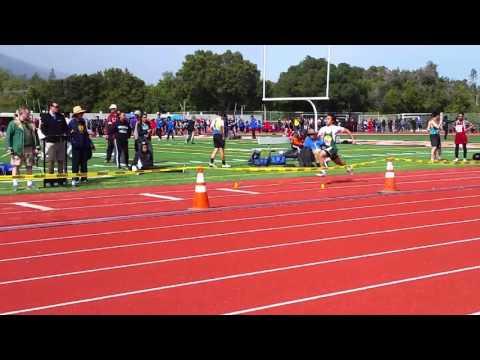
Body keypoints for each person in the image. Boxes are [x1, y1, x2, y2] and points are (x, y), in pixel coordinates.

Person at [6, 106, 40, 191]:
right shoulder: (13, 123)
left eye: (28, 113)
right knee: (16, 166)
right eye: (27, 113)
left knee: (29, 166)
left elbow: (36, 135)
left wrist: (37, 146)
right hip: (17, 149)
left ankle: (30, 184)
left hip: (29, 148)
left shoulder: (31, 123)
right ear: (22, 113)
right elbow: (8, 136)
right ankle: (15, 184)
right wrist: (9, 148)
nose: (29, 115)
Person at [40, 101, 68, 184]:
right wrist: (48, 135)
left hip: (60, 141)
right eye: (55, 106)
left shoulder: (61, 116)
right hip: (50, 142)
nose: (57, 108)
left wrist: (65, 134)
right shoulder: (45, 116)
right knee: (51, 161)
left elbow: (65, 128)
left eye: (58, 107)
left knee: (61, 160)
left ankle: (61, 179)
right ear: (50, 107)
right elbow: (43, 128)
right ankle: (50, 179)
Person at [68, 106, 94, 186]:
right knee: (75, 163)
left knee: (84, 162)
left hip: (84, 145)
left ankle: (84, 178)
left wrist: (91, 143)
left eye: (82, 113)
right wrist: (73, 142)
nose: (82, 114)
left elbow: (85, 133)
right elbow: (70, 134)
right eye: (80, 113)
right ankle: (75, 178)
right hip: (76, 146)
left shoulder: (82, 121)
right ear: (76, 114)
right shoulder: (72, 122)